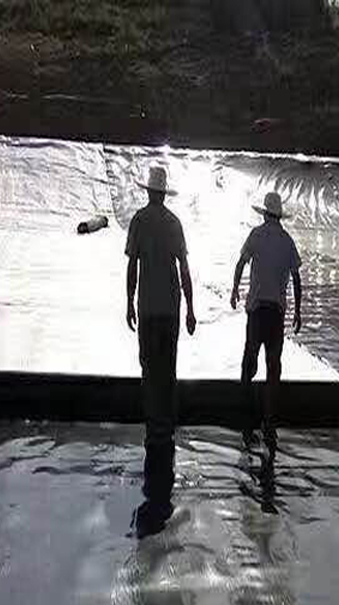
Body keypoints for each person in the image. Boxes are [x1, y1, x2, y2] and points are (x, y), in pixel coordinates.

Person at [125, 165, 197, 513]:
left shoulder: (139, 221)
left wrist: (128, 302)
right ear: (163, 193)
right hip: (170, 308)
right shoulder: (174, 223)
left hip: (149, 307)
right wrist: (191, 308)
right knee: (168, 369)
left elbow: (132, 267)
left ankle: (154, 428)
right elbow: (184, 268)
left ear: (147, 191)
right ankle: (166, 429)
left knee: (148, 368)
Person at [230, 191, 302, 453]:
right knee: (273, 368)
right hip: (276, 313)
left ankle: (245, 421)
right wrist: (298, 311)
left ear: (264, 214)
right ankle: (269, 424)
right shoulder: (287, 241)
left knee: (249, 363)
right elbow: (296, 278)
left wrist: (234, 289)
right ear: (279, 216)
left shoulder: (256, 235)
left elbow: (241, 263)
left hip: (257, 311)